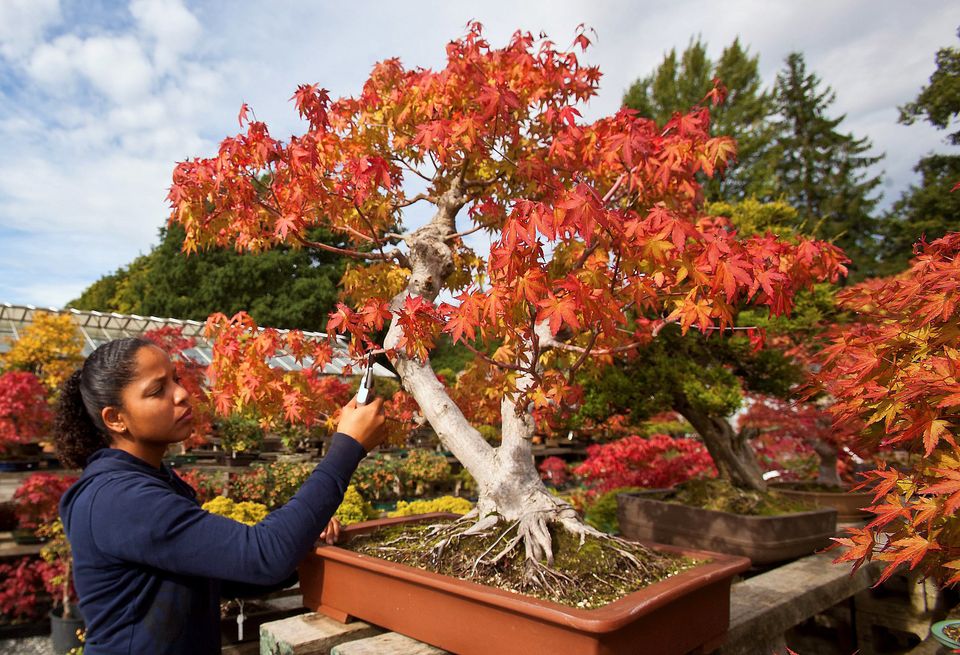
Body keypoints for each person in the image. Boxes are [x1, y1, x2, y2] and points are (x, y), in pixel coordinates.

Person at [54, 337, 386, 654]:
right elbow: (262, 555)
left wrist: (301, 546)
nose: (182, 394)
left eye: (176, 379)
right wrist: (348, 447)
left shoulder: (152, 481)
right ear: (116, 419)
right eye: (157, 391)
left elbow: (216, 576)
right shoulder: (119, 499)